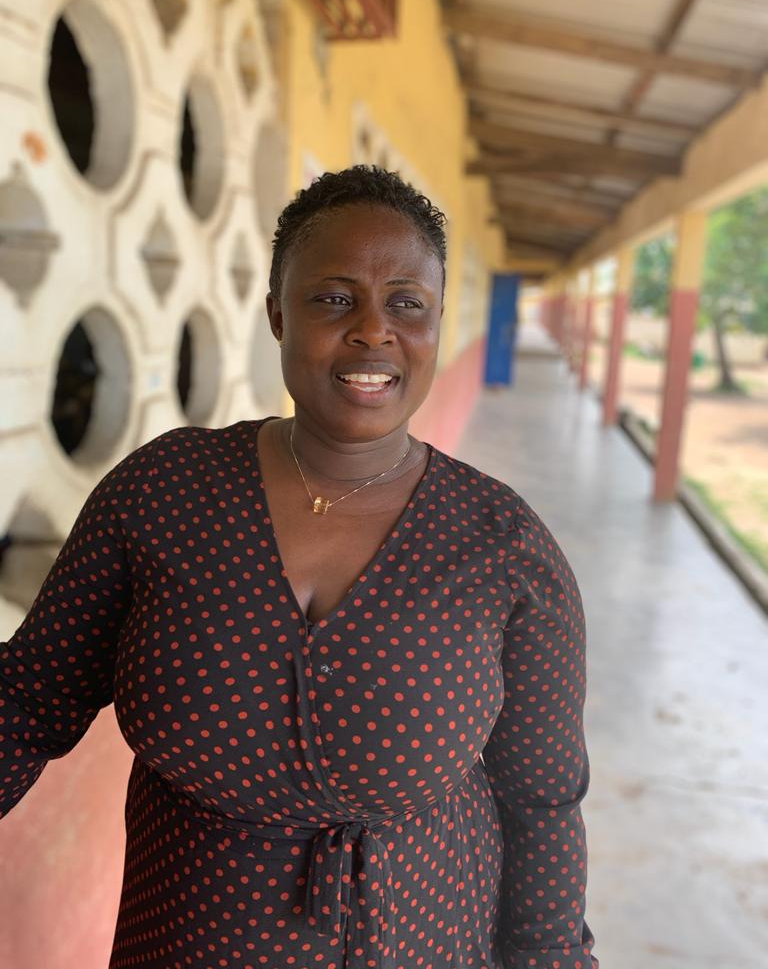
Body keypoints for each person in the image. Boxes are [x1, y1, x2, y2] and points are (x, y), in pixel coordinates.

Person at [0, 166, 598, 969]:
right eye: (334, 298)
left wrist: (552, 960)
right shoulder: (163, 492)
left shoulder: (503, 549)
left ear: (438, 323)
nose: (374, 331)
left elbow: (542, 800)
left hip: (427, 937)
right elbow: (28, 698)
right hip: (186, 941)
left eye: (407, 304)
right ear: (279, 313)